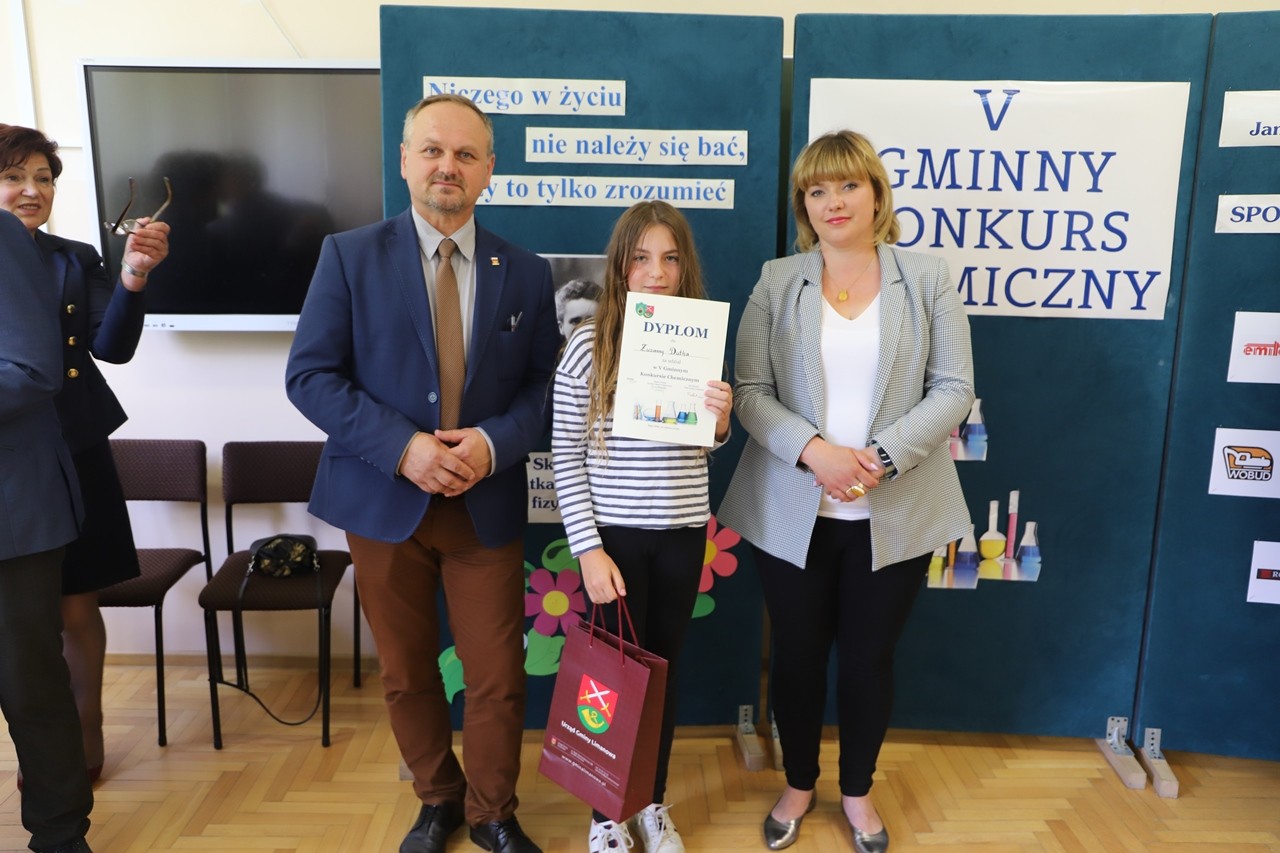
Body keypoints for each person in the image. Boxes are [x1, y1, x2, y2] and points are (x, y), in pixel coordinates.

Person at [285, 94, 558, 853]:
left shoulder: (526, 272)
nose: (448, 166)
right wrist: (404, 447)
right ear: (404, 160)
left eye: (466, 154)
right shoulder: (348, 255)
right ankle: (438, 799)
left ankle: (492, 811)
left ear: (489, 170)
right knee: (406, 672)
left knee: (497, 674)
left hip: (483, 504)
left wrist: (494, 444)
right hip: (382, 501)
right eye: (432, 150)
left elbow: (547, 388)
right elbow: (310, 376)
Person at [718, 130, 974, 853]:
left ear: (876, 194)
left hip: (894, 511)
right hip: (792, 509)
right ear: (804, 204)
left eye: (848, 185)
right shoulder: (778, 281)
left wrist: (881, 458)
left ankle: (857, 791)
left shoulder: (926, 278)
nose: (833, 201)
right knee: (796, 657)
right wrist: (815, 452)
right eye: (817, 190)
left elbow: (954, 387)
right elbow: (750, 391)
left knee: (869, 660)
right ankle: (798, 784)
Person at [551, 201, 733, 853]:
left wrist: (720, 421)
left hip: (681, 533)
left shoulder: (698, 342)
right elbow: (565, 454)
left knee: (662, 675)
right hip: (616, 541)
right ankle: (606, 815)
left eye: (670, 258)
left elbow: (704, 444)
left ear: (685, 267)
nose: (656, 272)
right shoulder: (588, 345)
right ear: (621, 266)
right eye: (642, 258)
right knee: (609, 681)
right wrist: (588, 550)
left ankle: (651, 803)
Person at [0, 124, 170, 781]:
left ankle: (86, 727)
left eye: (43, 178)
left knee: (76, 603)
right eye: (14, 176)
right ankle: (44, 748)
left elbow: (113, 348)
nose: (32, 190)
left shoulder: (73, 259)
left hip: (75, 449)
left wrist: (133, 276)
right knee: (22, 619)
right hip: (11, 458)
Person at [0, 208, 96, 853]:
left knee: (27, 680)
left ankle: (60, 835)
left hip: (12, 507)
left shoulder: (2, 236)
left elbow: (34, 368)